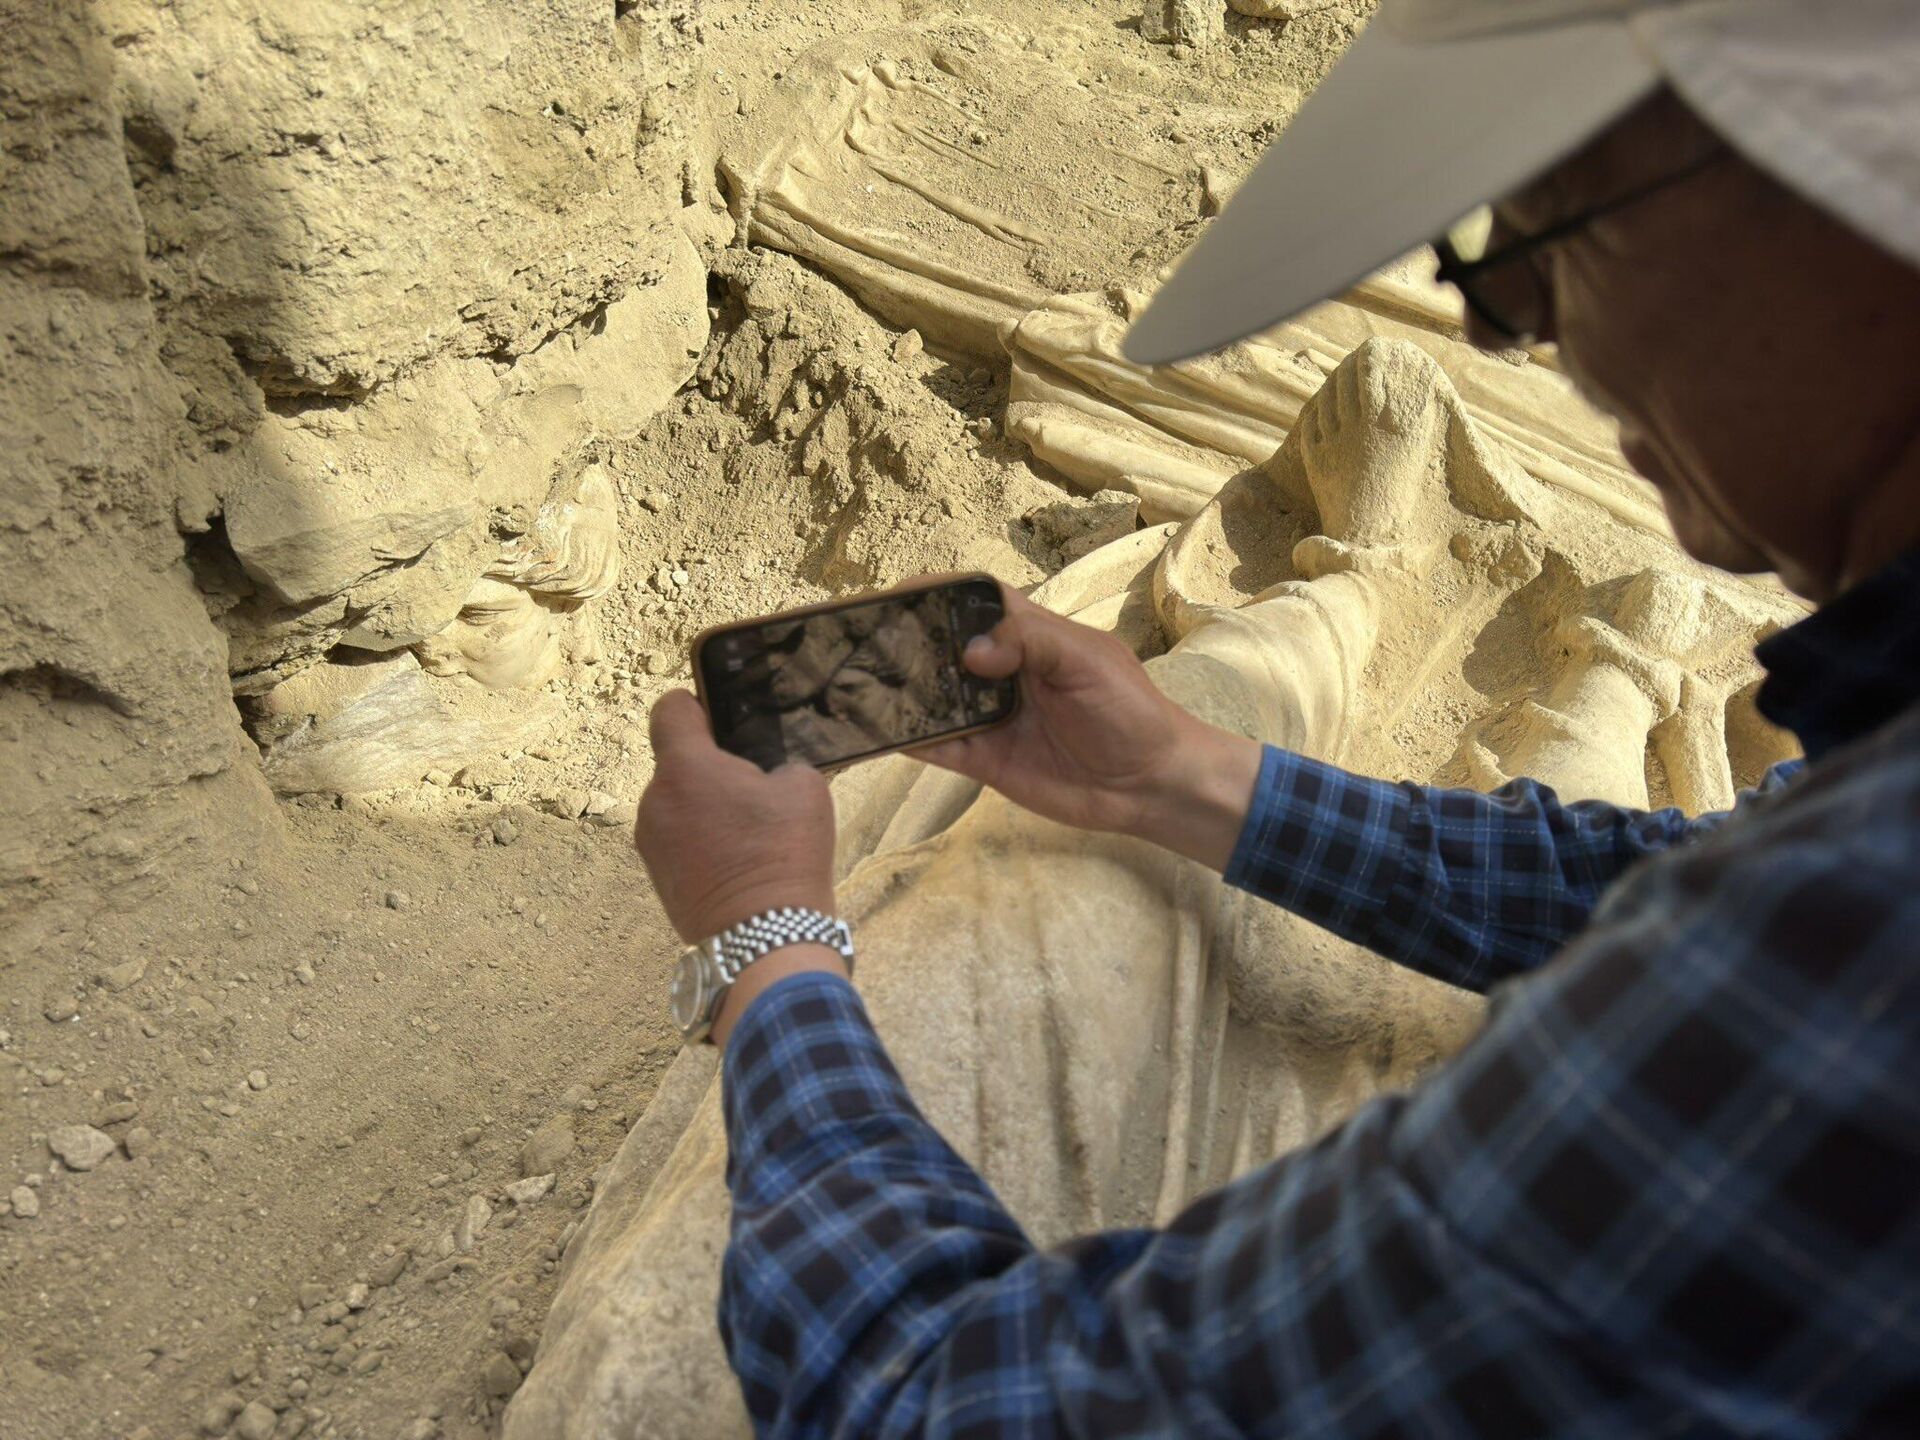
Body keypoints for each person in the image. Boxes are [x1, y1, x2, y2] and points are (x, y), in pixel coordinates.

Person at [635, 0, 1920, 1433]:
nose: (1526, 335)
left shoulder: (1848, 945)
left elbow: (951, 1404)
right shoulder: (1846, 859)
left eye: (1550, 236)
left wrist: (765, 937)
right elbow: (1658, 885)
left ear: (1843, 192)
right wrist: (1181, 779)